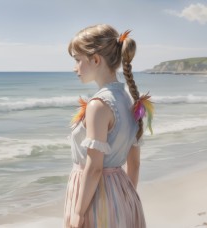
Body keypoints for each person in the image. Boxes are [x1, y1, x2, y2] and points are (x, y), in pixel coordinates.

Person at [64, 24, 153, 228]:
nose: (75, 67)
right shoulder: (132, 101)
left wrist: (78, 212)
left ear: (95, 59)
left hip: (95, 197)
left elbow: (94, 167)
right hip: (123, 192)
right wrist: (124, 197)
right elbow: (135, 164)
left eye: (78, 60)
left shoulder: (98, 105)